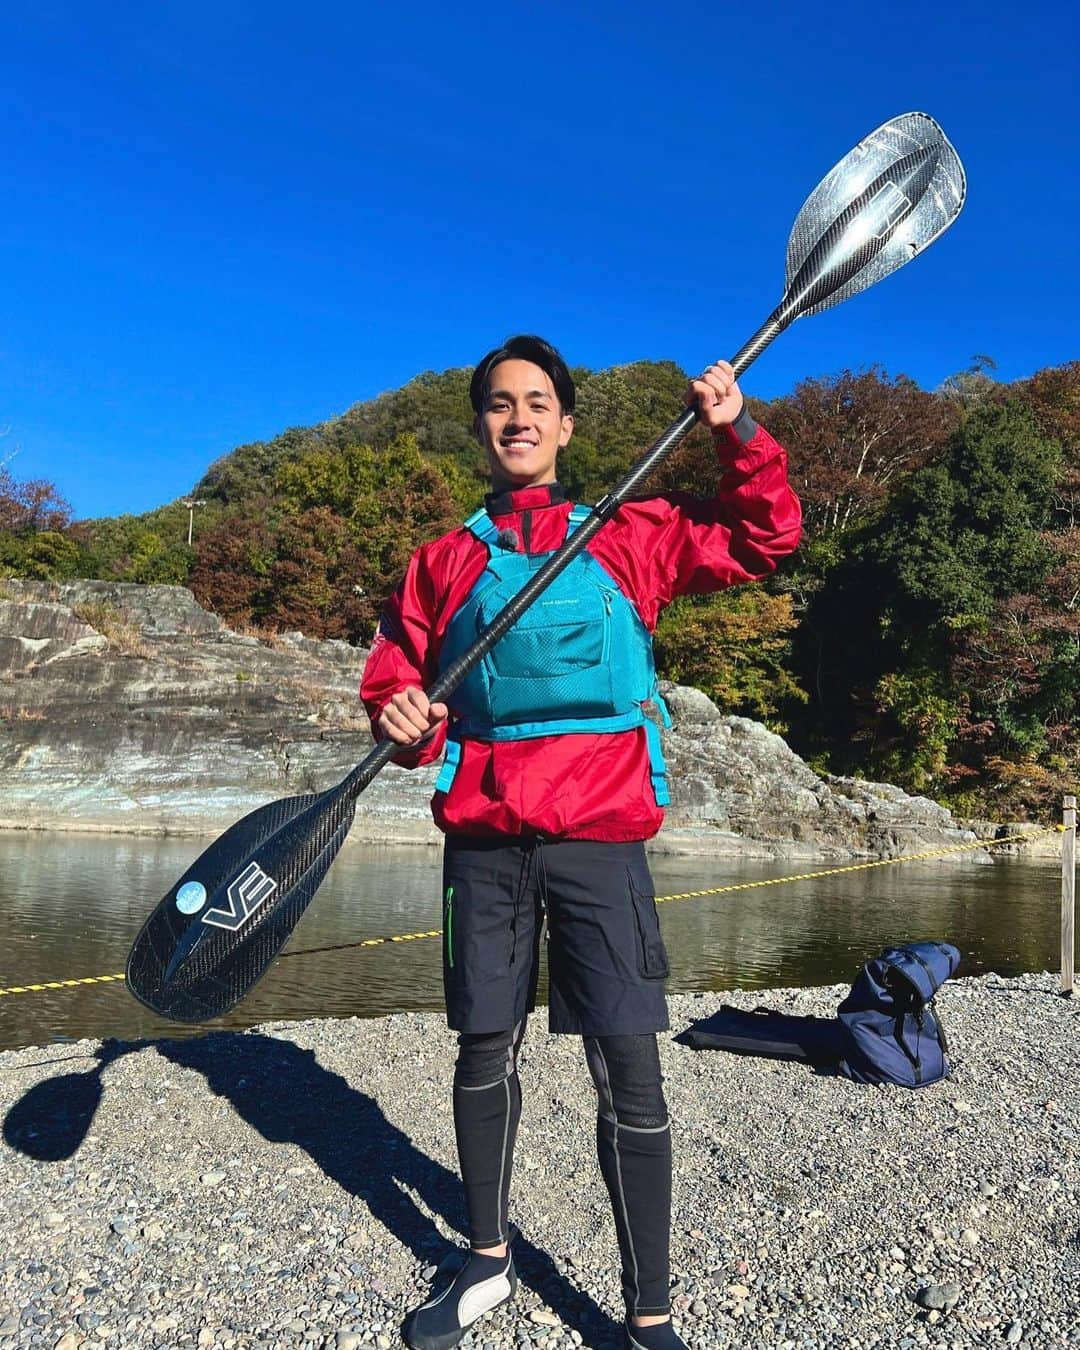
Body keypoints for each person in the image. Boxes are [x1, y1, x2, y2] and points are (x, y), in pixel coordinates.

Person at [360, 335, 802, 1350]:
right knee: (484, 1049)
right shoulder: (442, 561)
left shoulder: (632, 532)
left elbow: (770, 539)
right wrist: (396, 714)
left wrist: (736, 434)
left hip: (600, 836)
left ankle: (648, 1313)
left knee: (629, 1067)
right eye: (499, 405)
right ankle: (483, 1261)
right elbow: (398, 675)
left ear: (565, 423)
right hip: (486, 839)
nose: (518, 419)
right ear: (480, 426)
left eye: (537, 403)